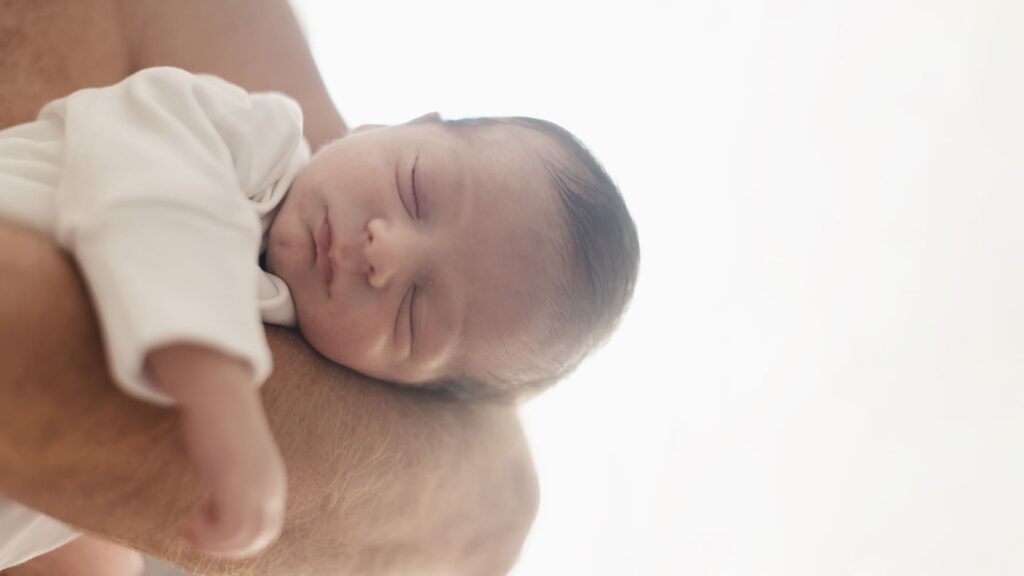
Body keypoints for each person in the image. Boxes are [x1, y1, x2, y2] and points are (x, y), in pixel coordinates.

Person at [0, 61, 638, 562]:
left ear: (394, 387)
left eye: (416, 312)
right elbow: (144, 176)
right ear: (387, 128)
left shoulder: (298, 356)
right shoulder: (252, 137)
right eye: (415, 186)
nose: (383, 251)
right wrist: (219, 397)